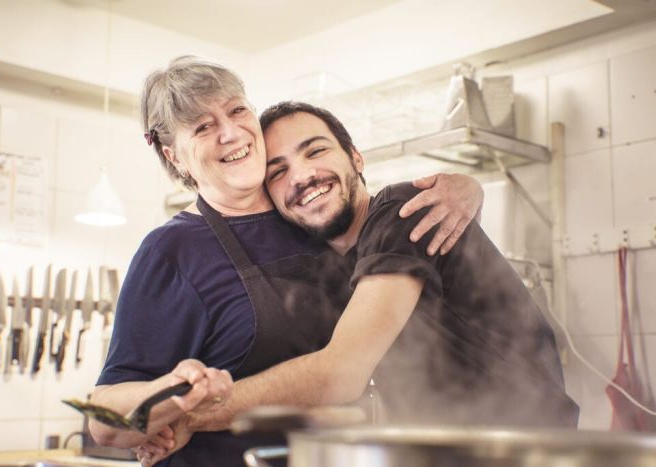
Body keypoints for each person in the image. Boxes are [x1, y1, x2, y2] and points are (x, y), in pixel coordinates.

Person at [89, 56, 485, 467]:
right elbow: (105, 420)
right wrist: (172, 394)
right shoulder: (170, 251)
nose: (230, 133)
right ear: (175, 157)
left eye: (237, 110)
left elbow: (347, 368)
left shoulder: (309, 213)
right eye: (203, 127)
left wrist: (467, 187)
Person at [138, 100, 579, 465]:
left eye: (315, 151)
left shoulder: (402, 211)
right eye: (278, 171)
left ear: (356, 158)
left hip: (523, 454)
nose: (302, 176)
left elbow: (340, 374)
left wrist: (193, 418)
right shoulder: (338, 267)